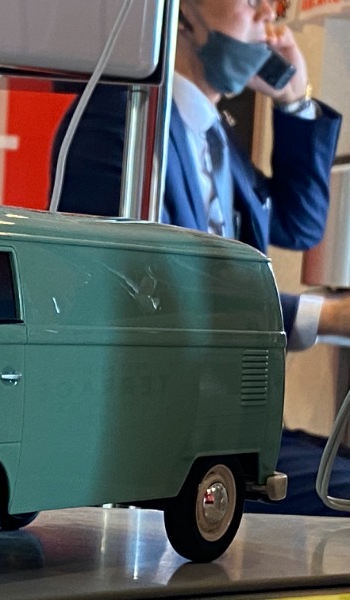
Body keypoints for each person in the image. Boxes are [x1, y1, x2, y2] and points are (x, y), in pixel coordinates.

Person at [51, 0, 350, 515]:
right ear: (181, 12)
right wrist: (328, 316)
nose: (268, 13)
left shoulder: (213, 135)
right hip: (169, 445)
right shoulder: (120, 119)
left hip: (229, 428)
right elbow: (152, 296)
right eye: (250, 0)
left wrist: (294, 102)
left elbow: (300, 224)